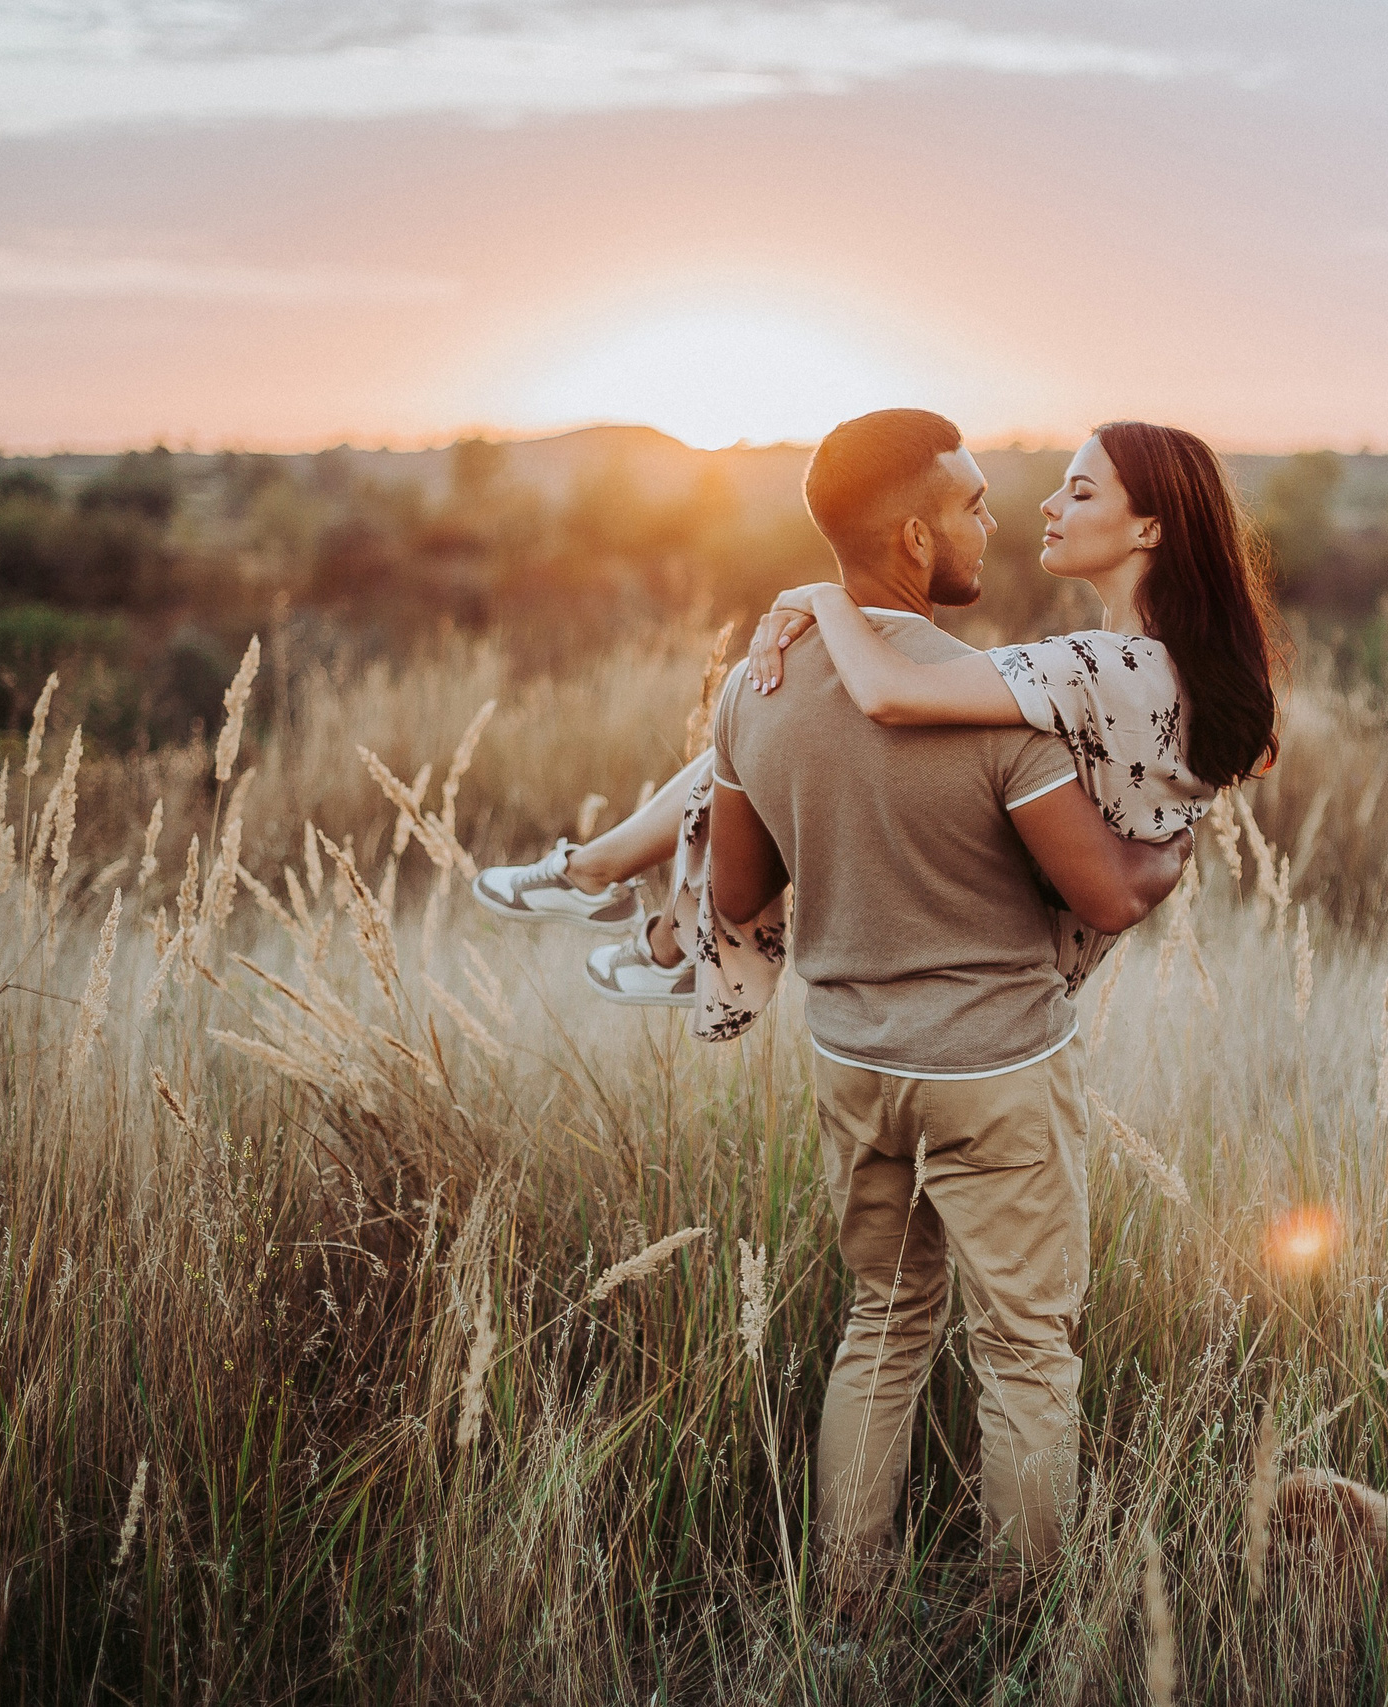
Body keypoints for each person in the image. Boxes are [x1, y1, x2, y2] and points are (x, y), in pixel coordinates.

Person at [694, 408, 1202, 1606]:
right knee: (1026, 1355)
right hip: (993, 1073)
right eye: (973, 506)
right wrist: (1175, 843)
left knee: (879, 1327)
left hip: (851, 1062)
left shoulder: (754, 689)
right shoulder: (996, 708)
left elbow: (735, 891)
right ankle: (1023, 1629)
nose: (995, 521)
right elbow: (1104, 894)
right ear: (916, 539)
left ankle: (847, 1617)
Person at [471, 419, 1282, 1021]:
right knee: (785, 709)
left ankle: (638, 907)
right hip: (1002, 956)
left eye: (1080, 491)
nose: (1047, 501)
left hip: (992, 977)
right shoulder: (1152, 665)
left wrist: (826, 598)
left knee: (801, 705)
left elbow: (891, 694)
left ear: (1149, 528)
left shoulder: (1100, 667)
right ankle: (637, 906)